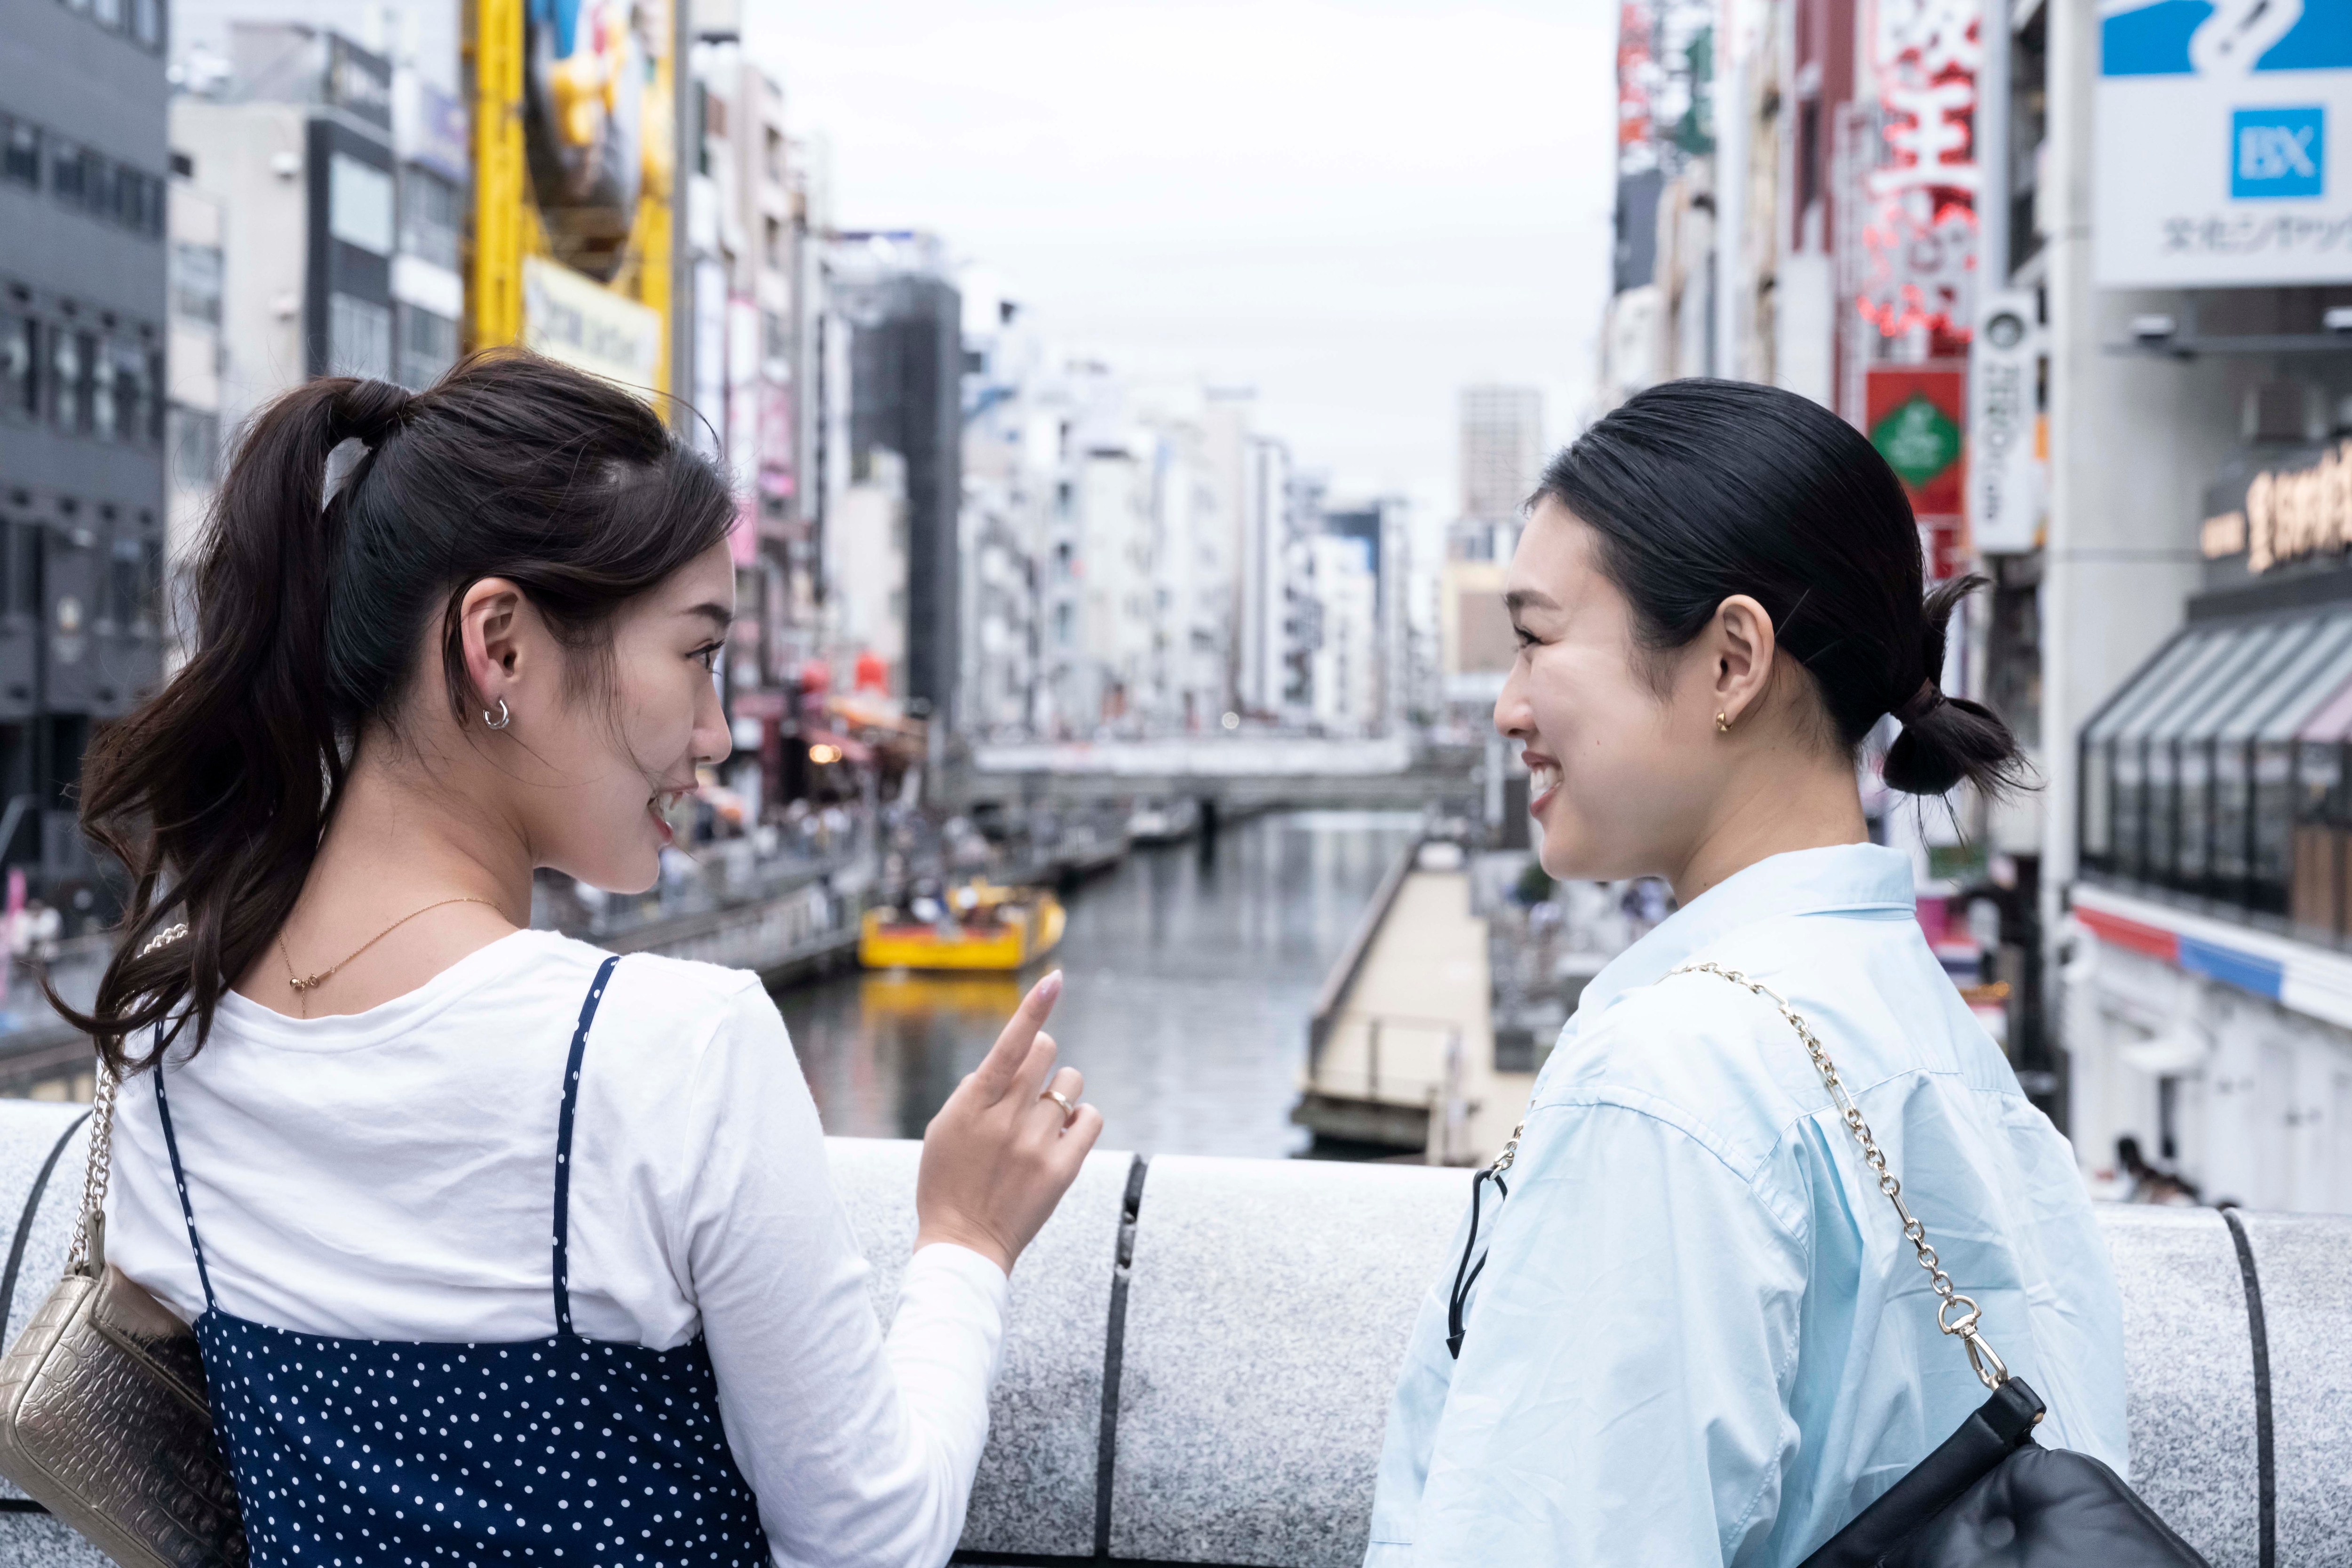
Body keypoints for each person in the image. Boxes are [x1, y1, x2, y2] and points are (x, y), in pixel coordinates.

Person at [66, 351, 1104, 1568]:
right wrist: (967, 1240)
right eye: (698, 654)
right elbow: (870, 1540)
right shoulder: (668, 1046)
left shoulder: (168, 1014)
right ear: (500, 644)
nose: (715, 734)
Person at [1366, 379, 2126, 1566]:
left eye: (1535, 637)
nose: (1507, 705)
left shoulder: (1674, 1077)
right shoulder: (1943, 1043)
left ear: (1731, 660)